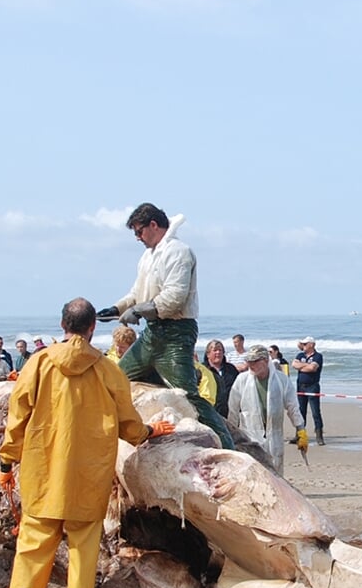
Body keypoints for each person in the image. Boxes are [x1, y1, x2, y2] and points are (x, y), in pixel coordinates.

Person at [0, 298, 164, 588]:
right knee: (83, 554)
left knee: (32, 549)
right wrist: (151, 431)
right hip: (89, 477)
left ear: (62, 325)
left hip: (43, 473)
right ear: (92, 328)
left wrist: (7, 463)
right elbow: (128, 424)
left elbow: (18, 415)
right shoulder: (107, 370)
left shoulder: (38, 363)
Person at [97, 203, 234, 448]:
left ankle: (227, 446)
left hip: (175, 334)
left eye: (140, 232)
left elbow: (175, 297)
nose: (138, 238)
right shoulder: (147, 256)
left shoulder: (179, 252)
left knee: (188, 396)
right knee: (116, 379)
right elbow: (136, 292)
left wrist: (138, 310)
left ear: (153, 225)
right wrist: (116, 308)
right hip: (151, 334)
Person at [228, 347, 304, 475]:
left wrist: (300, 429)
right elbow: (233, 408)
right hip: (250, 434)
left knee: (275, 472)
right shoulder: (242, 380)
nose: (250, 365)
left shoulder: (281, 380)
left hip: (274, 434)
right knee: (252, 471)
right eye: (249, 362)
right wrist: (231, 433)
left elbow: (292, 406)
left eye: (254, 362)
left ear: (265, 360)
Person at [293, 336, 325, 445]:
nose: (303, 346)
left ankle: (319, 436)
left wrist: (302, 367)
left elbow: (313, 368)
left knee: (315, 412)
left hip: (312, 386)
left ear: (311, 344)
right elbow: (294, 365)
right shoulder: (300, 355)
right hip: (300, 385)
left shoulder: (318, 356)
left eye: (305, 344)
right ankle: (299, 435)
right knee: (301, 411)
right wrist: (306, 366)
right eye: (303, 344)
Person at [203, 339, 239, 412]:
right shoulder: (202, 370)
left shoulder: (231, 369)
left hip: (230, 412)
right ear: (208, 354)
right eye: (215, 350)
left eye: (220, 350)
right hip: (210, 412)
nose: (218, 352)